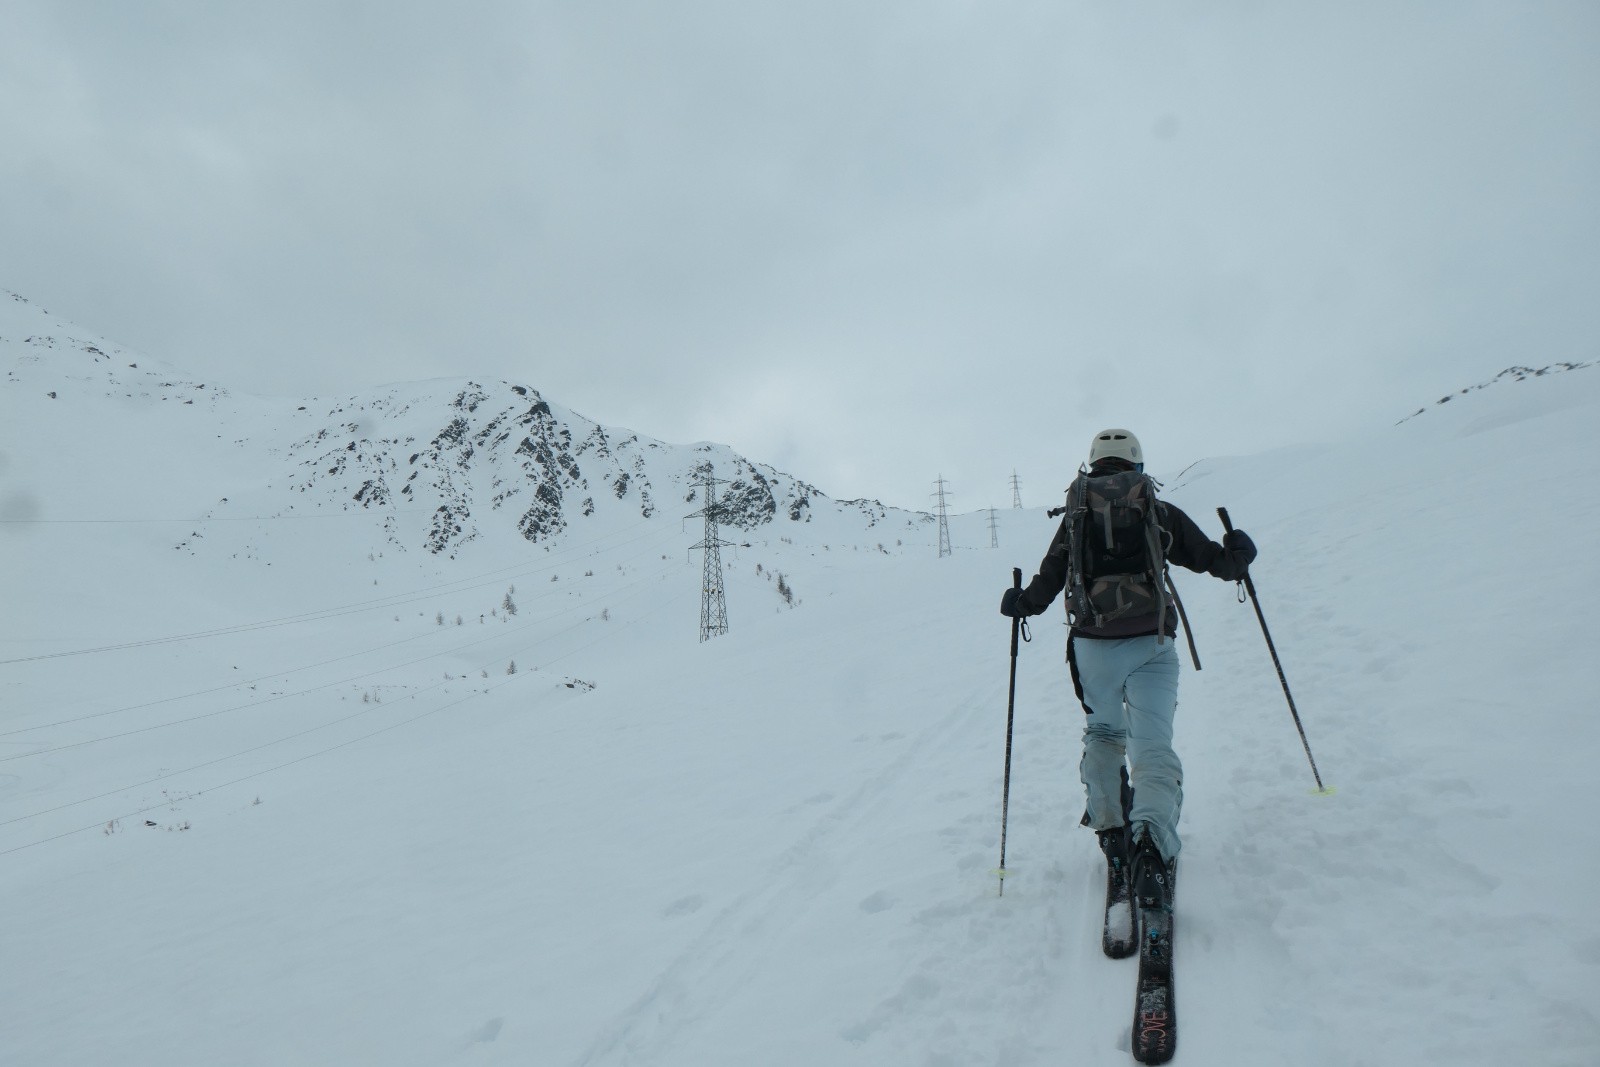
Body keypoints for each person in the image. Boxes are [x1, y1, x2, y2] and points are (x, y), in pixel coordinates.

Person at [1000, 428, 1256, 906]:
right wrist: (1238, 553)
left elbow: (1048, 582)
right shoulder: (1155, 509)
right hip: (1153, 643)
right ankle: (1150, 846)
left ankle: (1112, 835)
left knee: (1103, 734)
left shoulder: (1076, 516)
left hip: (1093, 647)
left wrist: (1021, 603)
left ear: (1092, 463)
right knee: (1153, 748)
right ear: (1136, 465)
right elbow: (1212, 561)